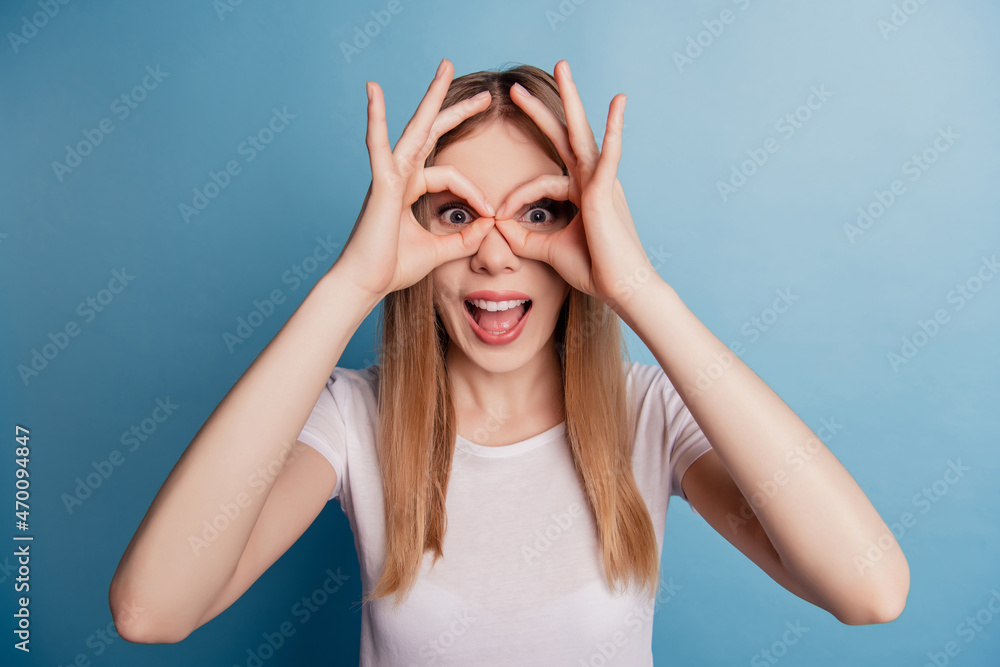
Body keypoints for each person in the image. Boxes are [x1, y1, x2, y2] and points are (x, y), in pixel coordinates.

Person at [109, 58, 910, 664]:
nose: (495, 255)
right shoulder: (354, 417)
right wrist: (351, 283)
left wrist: (639, 288)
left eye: (540, 212)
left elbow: (870, 588)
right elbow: (151, 611)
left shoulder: (651, 414)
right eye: (457, 213)